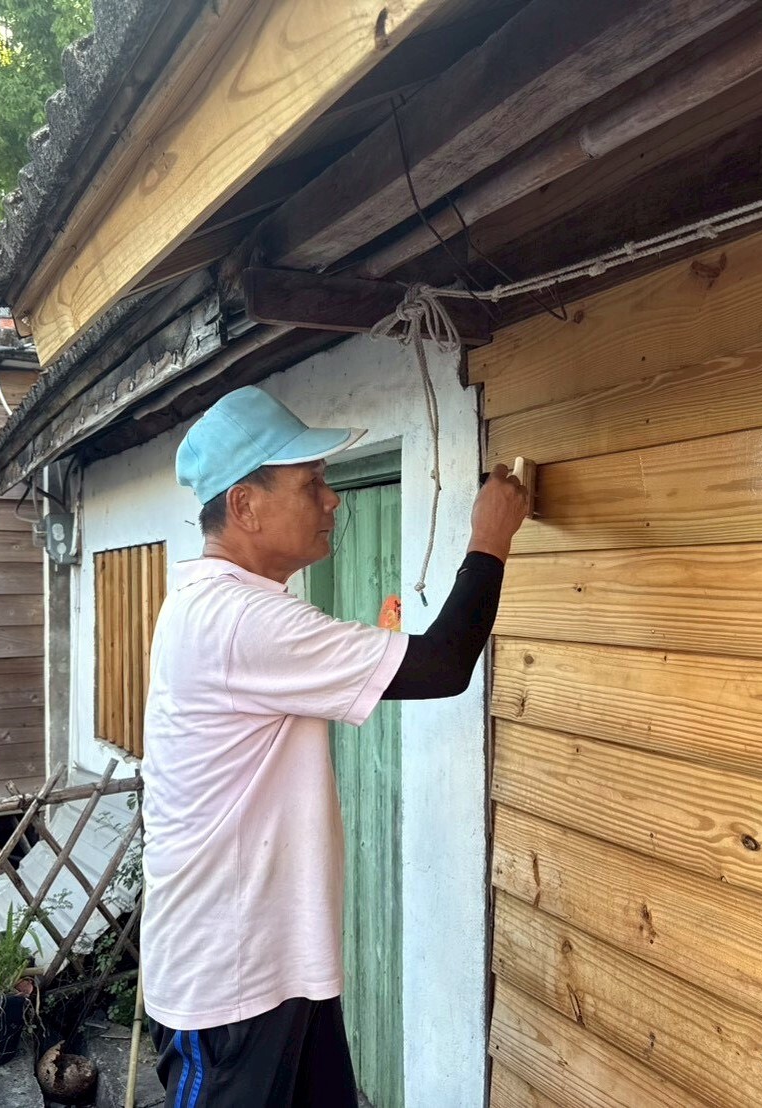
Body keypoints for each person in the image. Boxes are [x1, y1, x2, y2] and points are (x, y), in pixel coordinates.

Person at [140, 385, 529, 1107]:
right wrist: (491, 537)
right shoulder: (238, 619)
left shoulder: (232, 608)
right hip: (226, 994)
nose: (333, 500)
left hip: (281, 975)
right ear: (244, 507)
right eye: (310, 483)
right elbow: (442, 665)